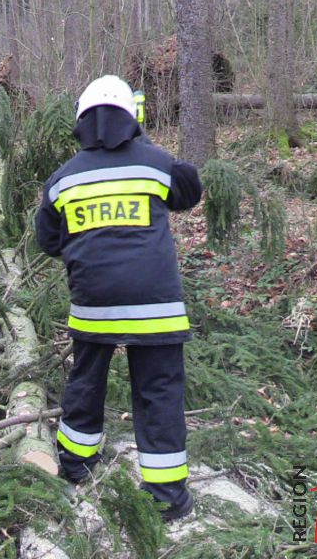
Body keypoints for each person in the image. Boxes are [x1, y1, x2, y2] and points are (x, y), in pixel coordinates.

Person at [34, 75, 202, 521]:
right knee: (159, 392)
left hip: (94, 304)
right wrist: (145, 146)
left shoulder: (62, 179)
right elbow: (190, 190)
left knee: (85, 381)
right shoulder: (157, 164)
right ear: (132, 116)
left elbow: (48, 240)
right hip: (156, 306)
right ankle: (167, 497)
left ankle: (75, 465)